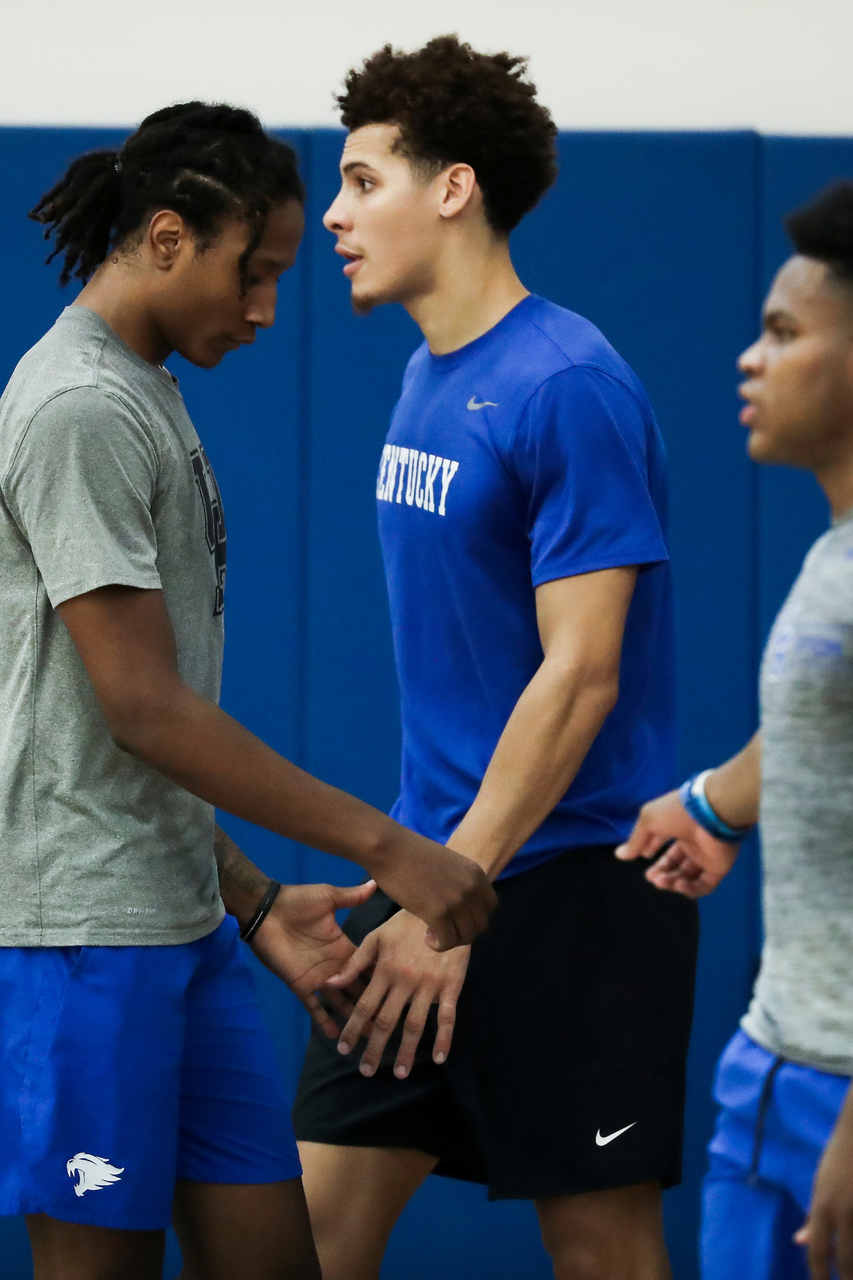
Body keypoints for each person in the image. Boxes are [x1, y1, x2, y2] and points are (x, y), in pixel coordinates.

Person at [0, 101, 496, 1280]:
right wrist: (394, 847)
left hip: (184, 927)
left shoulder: (147, 390)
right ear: (167, 236)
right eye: (251, 272)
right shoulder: (79, 408)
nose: (267, 309)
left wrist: (256, 899)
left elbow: (122, 737)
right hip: (85, 945)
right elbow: (145, 708)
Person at [292, 37, 698, 1280]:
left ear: (453, 188)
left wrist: (449, 896)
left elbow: (582, 672)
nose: (332, 213)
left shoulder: (567, 385)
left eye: (363, 181)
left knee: (602, 1252)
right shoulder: (425, 373)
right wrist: (426, 888)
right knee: (300, 1237)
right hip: (432, 874)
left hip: (571, 897)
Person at [617, 181, 853, 1280]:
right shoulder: (831, 554)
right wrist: (712, 805)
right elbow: (812, 732)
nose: (748, 360)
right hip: (767, 1064)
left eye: (783, 333)